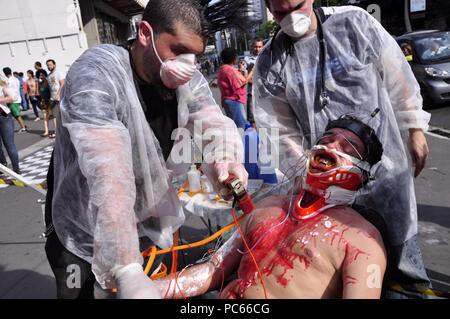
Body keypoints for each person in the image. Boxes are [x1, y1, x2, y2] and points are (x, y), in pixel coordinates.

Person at [44, 0, 247, 299]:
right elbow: (108, 173)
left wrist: (224, 159)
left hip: (143, 225)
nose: (187, 65)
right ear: (144, 33)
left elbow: (212, 121)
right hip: (81, 230)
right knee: (79, 293)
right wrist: (126, 267)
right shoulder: (97, 73)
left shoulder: (185, 80)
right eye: (177, 51)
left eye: (195, 55)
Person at [252, 1, 431, 298]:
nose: (291, 18)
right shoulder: (271, 61)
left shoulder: (354, 24)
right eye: (281, 13)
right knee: (355, 264)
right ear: (270, 9)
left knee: (403, 263)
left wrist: (414, 128)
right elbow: (279, 129)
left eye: (296, 7)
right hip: (333, 184)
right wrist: (307, 174)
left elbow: (396, 73)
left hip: (387, 171)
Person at [155, 115, 389, 299]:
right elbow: (210, 272)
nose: (330, 145)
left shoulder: (363, 242)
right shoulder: (268, 207)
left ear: (361, 175)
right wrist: (146, 290)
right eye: (326, 139)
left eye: (347, 148)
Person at [217, 47, 254, 128]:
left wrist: (240, 69)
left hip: (228, 100)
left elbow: (234, 80)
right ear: (234, 58)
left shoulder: (223, 69)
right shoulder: (230, 70)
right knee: (241, 126)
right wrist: (252, 71)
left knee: (237, 126)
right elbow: (243, 81)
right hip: (233, 101)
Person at [0, 79, 21, 174]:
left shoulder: (2, 86)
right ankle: (2, 165)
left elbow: (13, 97)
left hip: (4, 117)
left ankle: (16, 168)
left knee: (9, 144)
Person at [244, 38, 264, 130]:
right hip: (251, 93)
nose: (257, 49)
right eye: (256, 47)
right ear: (252, 47)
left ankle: (265, 141)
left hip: (265, 93)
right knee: (252, 119)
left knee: (266, 118)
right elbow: (245, 77)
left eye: (260, 47)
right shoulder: (247, 60)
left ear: (263, 47)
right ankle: (256, 142)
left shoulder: (267, 57)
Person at [2, 68, 27, 133]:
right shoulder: (16, 79)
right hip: (18, 98)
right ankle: (23, 126)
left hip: (13, 100)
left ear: (5, 73)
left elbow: (8, 90)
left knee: (16, 115)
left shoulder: (9, 81)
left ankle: (23, 128)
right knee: (15, 114)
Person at [45, 59, 64, 138]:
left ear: (54, 65)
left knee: (60, 115)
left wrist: (58, 94)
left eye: (50, 65)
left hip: (59, 97)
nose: (49, 66)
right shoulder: (49, 76)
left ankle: (58, 132)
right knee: (55, 116)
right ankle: (58, 131)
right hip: (52, 98)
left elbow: (63, 84)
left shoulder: (58, 73)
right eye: (47, 65)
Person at [38, 72, 55, 138]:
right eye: (40, 75)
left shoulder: (48, 82)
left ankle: (56, 131)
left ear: (45, 75)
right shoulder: (39, 83)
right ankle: (46, 131)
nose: (41, 76)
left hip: (50, 100)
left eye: (42, 75)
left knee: (54, 116)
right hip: (44, 101)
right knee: (45, 116)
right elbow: (40, 93)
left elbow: (52, 91)